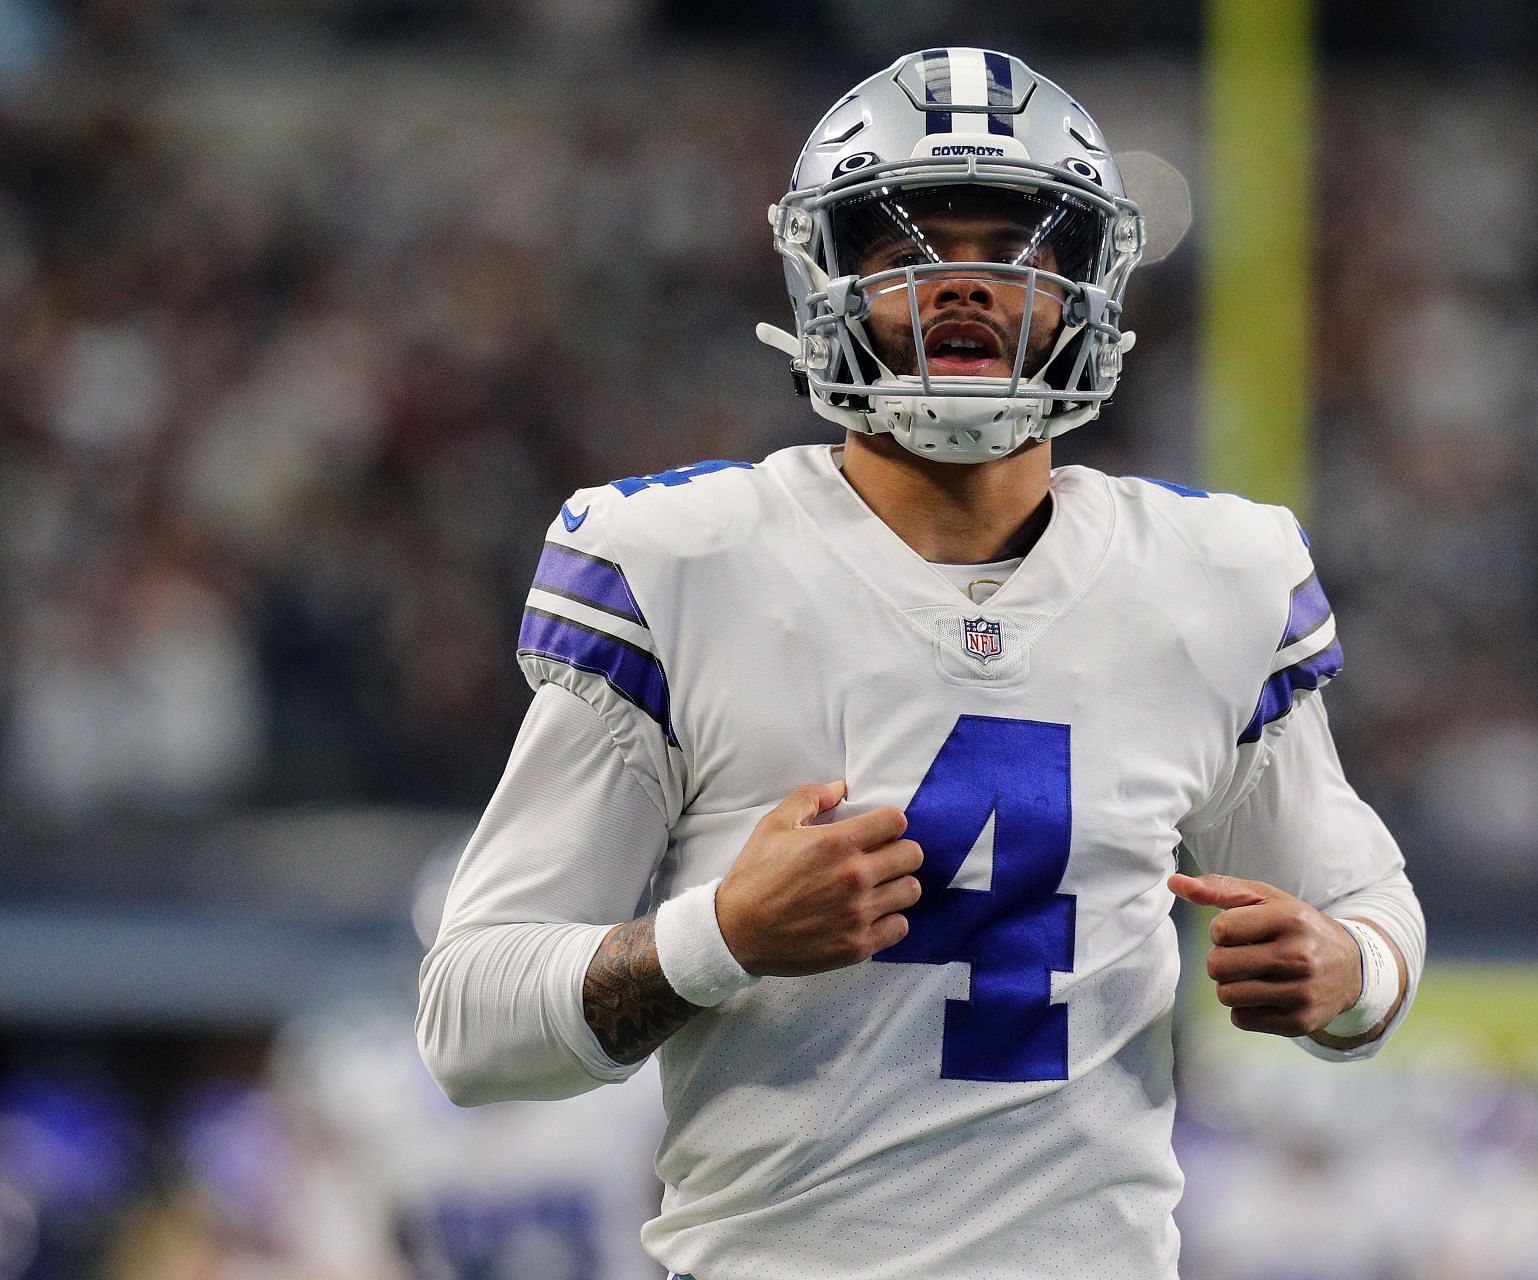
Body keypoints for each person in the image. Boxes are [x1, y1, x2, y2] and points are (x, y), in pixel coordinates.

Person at [417, 47, 1424, 1280]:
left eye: (1011, 247)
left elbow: (1368, 906)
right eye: (906, 250)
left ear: (1084, 287)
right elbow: (468, 1020)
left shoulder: (1213, 576)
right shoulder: (682, 560)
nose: (962, 285)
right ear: (824, 275)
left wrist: (1352, 974)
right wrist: (721, 933)